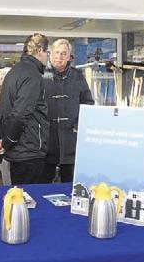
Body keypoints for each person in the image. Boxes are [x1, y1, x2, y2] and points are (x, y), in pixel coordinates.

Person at [0, 33, 49, 185]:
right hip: (28, 151)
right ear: (40, 51)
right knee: (28, 201)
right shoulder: (32, 75)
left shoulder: (13, 72)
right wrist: (7, 141)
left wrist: (0, 136)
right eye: (47, 52)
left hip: (18, 151)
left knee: (16, 198)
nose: (47, 57)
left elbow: (1, 109)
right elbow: (20, 114)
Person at [40, 39, 94, 183]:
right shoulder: (40, 75)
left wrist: (78, 125)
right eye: (57, 52)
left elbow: (88, 102)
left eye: (64, 53)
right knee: (43, 184)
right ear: (50, 54)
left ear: (69, 56)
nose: (60, 56)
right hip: (46, 139)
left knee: (70, 185)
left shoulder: (77, 76)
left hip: (70, 140)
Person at [0, 67, 12, 185]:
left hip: (11, 148)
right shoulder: (3, 96)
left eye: (1, 78)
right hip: (5, 146)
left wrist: (4, 142)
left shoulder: (12, 98)